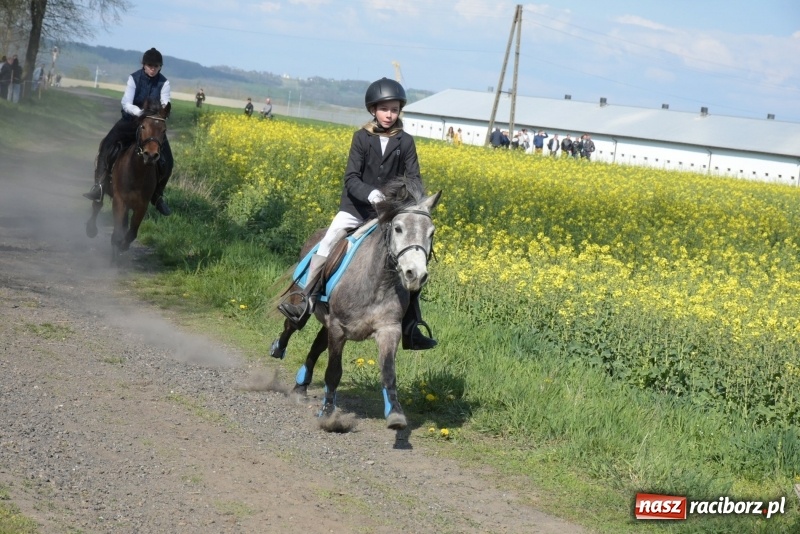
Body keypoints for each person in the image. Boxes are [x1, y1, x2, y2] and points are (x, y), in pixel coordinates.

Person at [278, 77, 437, 350]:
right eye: (384, 108)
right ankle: (306, 299)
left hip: (387, 215)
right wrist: (371, 194)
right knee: (328, 242)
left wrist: (411, 203)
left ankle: (411, 326)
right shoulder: (361, 138)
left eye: (395, 109)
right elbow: (351, 178)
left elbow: (414, 180)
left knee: (412, 259)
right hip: (355, 209)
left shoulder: (406, 142)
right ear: (373, 109)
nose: (389, 114)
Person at [83, 48, 173, 216]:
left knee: (168, 159)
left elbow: (165, 103)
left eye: (156, 66)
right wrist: (141, 114)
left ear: (160, 67)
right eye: (149, 65)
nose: (152, 68)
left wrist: (158, 115)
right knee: (107, 145)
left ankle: (158, 195)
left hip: (152, 126)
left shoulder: (164, 83)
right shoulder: (134, 78)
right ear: (144, 65)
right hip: (130, 121)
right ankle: (100, 185)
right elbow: (126, 102)